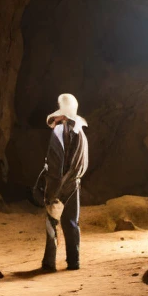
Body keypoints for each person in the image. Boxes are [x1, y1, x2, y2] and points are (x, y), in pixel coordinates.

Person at [33, 93, 89, 272]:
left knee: (51, 223)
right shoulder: (80, 132)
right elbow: (83, 163)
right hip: (74, 185)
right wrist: (73, 180)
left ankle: (49, 263)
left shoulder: (59, 131)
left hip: (58, 186)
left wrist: (52, 192)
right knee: (72, 223)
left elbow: (56, 163)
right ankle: (74, 262)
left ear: (62, 112)